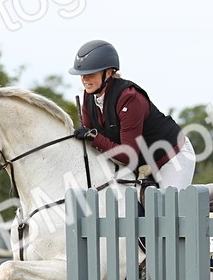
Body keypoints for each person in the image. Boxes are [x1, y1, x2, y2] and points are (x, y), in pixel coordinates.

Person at [68, 39, 196, 190]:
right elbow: (89, 142)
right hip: (142, 165)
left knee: (168, 210)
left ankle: (205, 198)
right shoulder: (89, 97)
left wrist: (94, 137)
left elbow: (128, 155)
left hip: (171, 157)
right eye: (82, 75)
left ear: (108, 73)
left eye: (91, 74)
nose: (85, 79)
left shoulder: (129, 98)